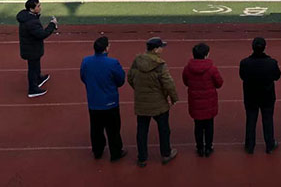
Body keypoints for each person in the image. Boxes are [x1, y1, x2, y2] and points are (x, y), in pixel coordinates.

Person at [128, 37, 179, 167]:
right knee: (164, 129)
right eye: (161, 47)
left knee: (142, 130)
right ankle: (166, 153)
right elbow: (168, 83)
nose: (162, 49)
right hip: (159, 102)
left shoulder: (137, 61)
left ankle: (142, 157)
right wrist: (174, 98)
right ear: (156, 49)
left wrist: (139, 90)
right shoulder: (160, 65)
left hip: (142, 102)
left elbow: (130, 78)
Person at [80, 36, 126, 161]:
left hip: (94, 102)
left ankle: (97, 151)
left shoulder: (86, 61)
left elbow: (83, 77)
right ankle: (115, 153)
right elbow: (121, 80)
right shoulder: (112, 63)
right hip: (110, 102)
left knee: (96, 129)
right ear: (106, 48)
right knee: (113, 129)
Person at [239, 37, 281, 154]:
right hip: (267, 96)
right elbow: (277, 76)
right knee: (268, 120)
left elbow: (242, 76)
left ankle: (250, 145)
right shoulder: (271, 63)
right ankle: (269, 144)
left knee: (251, 120)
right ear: (264, 48)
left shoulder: (245, 63)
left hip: (250, 96)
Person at [182, 43, 224, 157]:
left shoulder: (188, 69)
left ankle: (200, 147)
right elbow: (219, 83)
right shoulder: (212, 69)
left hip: (195, 102)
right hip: (209, 102)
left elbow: (185, 81)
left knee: (198, 126)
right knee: (209, 125)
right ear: (206, 55)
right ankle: (208, 147)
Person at [17, 0, 58, 98]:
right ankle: (33, 89)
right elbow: (42, 34)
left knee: (36, 64)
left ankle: (39, 78)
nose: (40, 8)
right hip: (31, 49)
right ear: (32, 9)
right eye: (38, 6)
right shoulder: (31, 22)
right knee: (32, 68)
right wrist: (52, 24)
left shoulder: (28, 16)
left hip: (32, 47)